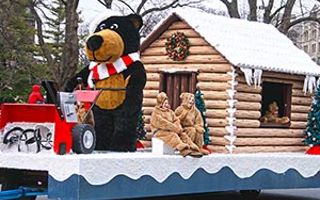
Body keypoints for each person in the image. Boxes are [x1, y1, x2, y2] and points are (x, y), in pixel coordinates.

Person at [150, 92, 202, 157]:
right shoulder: (156, 112)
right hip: (159, 131)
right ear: (160, 103)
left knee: (183, 134)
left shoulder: (170, 111)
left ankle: (192, 147)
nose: (167, 105)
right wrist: (174, 127)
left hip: (171, 129)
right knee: (173, 135)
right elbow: (163, 123)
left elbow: (176, 119)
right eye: (165, 103)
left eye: (167, 103)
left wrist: (178, 127)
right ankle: (183, 149)